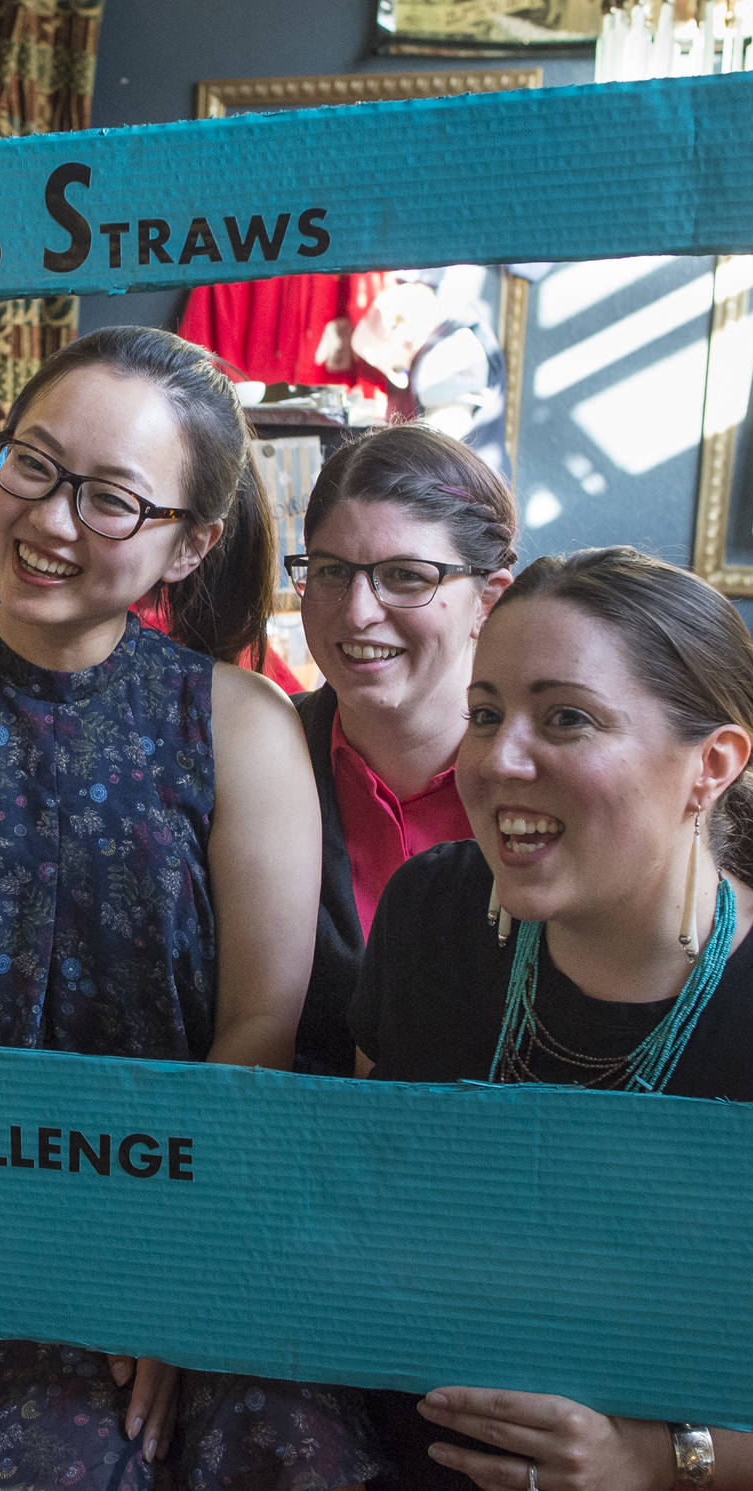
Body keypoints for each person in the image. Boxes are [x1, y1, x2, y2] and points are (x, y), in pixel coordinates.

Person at [0, 326, 382, 1489]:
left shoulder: (242, 727)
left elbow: (253, 1036)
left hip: (196, 1222)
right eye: (33, 467)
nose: (51, 520)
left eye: (110, 499)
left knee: (286, 1452)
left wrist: (172, 1279)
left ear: (187, 544)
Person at [350, 547, 753, 1491]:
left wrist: (657, 1460)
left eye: (567, 716)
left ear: (711, 765)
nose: (498, 758)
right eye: (486, 713)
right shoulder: (429, 917)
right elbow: (377, 1207)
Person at [286, 425, 515, 1076]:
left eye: (405, 577)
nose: (357, 612)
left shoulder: (549, 785)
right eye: (331, 571)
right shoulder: (260, 758)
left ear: (488, 599)